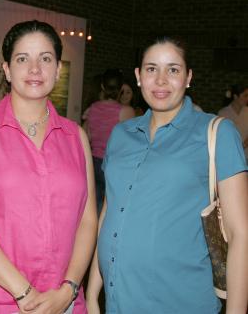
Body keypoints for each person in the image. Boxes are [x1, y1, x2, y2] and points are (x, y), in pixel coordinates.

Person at [86, 36, 248, 313]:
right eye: (151, 69)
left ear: (188, 77)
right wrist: (92, 294)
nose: (161, 80)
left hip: (179, 301)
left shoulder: (217, 133)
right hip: (117, 300)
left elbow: (240, 233)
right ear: (138, 77)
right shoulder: (121, 133)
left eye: (173, 69)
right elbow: (110, 211)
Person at [0, 20, 98, 313]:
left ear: (57, 69)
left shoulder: (76, 136)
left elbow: (87, 220)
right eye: (22, 59)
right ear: (6, 69)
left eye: (45, 58)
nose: (34, 69)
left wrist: (69, 288)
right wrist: (25, 293)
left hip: (62, 299)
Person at [82, 70, 135, 214]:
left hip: (94, 162)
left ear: (102, 86)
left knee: (95, 206)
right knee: (112, 207)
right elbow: (131, 145)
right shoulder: (127, 111)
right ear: (121, 88)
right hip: (114, 163)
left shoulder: (92, 108)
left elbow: (87, 137)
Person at [219, 84, 248, 160]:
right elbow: (220, 136)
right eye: (245, 96)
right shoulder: (223, 113)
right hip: (229, 156)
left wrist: (244, 144)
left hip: (246, 157)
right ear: (235, 97)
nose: (247, 99)